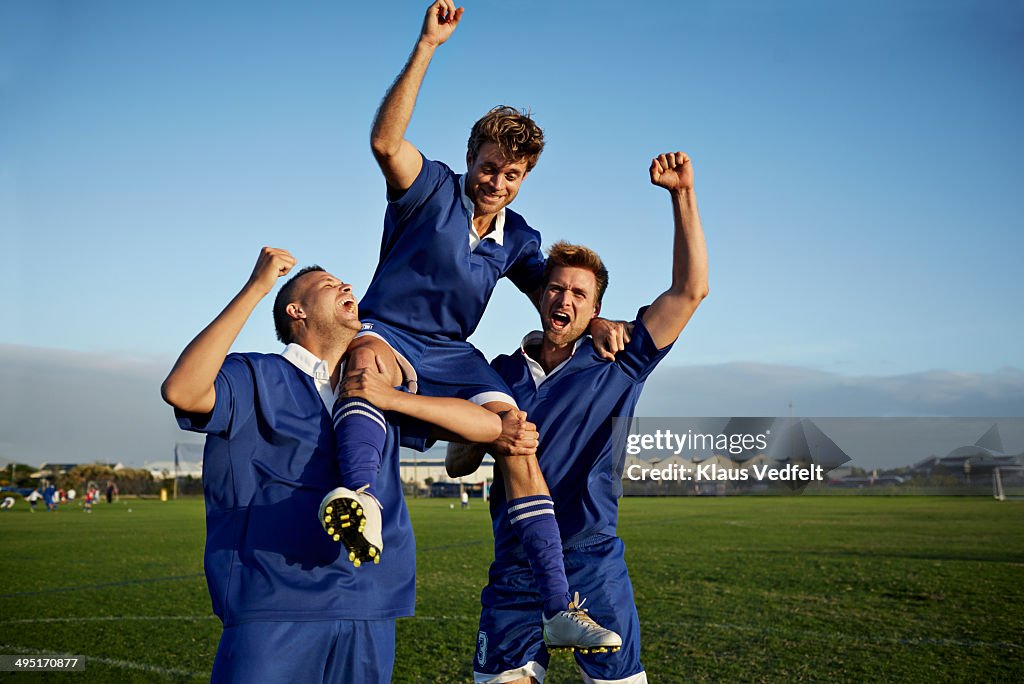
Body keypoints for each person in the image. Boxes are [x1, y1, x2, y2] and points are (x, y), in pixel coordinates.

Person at [321, 0, 625, 652]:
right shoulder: (428, 187)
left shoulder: (519, 237)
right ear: (471, 158)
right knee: (363, 365)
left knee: (517, 436)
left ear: (524, 178)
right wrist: (428, 45)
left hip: (452, 355)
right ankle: (359, 499)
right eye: (490, 167)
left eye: (512, 175)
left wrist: (602, 321)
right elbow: (384, 141)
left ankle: (556, 608)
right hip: (390, 332)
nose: (498, 181)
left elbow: (558, 292)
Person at [161, 247, 502, 683]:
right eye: (327, 284)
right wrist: (256, 287)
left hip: (370, 604)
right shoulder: (255, 375)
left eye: (345, 282)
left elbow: (488, 428)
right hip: (274, 602)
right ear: (295, 311)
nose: (346, 286)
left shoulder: (375, 388)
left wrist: (393, 398)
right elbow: (182, 391)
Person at [449, 151, 709, 683]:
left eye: (579, 293)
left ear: (595, 309)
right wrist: (487, 433)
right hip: (516, 565)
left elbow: (690, 292)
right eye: (556, 288)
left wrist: (682, 195)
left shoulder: (620, 357)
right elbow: (456, 464)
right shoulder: (496, 374)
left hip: (591, 560)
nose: (564, 298)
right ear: (541, 296)